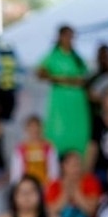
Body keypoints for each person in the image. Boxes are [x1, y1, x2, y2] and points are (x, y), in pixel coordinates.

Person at [37, 25, 90, 156]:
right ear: (60, 37)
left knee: (78, 132)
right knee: (58, 130)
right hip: (61, 98)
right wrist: (60, 79)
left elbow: (84, 77)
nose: (70, 39)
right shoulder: (53, 55)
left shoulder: (76, 57)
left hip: (77, 100)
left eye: (71, 37)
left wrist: (72, 81)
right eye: (67, 36)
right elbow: (40, 73)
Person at [10, 115, 59, 187]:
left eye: (37, 127)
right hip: (26, 185)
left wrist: (49, 184)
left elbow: (54, 171)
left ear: (42, 128)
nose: (34, 130)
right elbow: (16, 172)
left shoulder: (49, 147)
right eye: (31, 127)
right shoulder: (20, 148)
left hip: (45, 185)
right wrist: (19, 185)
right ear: (26, 129)